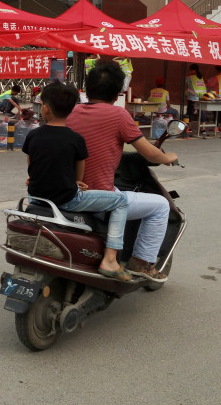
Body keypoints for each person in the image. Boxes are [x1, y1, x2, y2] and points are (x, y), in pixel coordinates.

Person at [67, 62, 178, 283]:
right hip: (97, 197)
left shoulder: (70, 111)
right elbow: (150, 153)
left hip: (65, 190)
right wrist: (168, 158)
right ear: (118, 92)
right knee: (161, 206)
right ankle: (141, 263)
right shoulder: (119, 115)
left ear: (87, 88)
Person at [23, 81, 132, 281]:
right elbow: (79, 168)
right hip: (67, 200)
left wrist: (35, 176)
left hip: (36, 197)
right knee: (122, 201)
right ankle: (110, 259)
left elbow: (32, 164)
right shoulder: (76, 139)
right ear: (72, 109)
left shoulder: (33, 135)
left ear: (45, 108)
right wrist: (77, 182)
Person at [205, 66, 221, 131]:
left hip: (216, 97)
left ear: (216, 70)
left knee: (216, 112)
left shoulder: (217, 77)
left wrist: (206, 82)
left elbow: (210, 85)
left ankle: (215, 127)